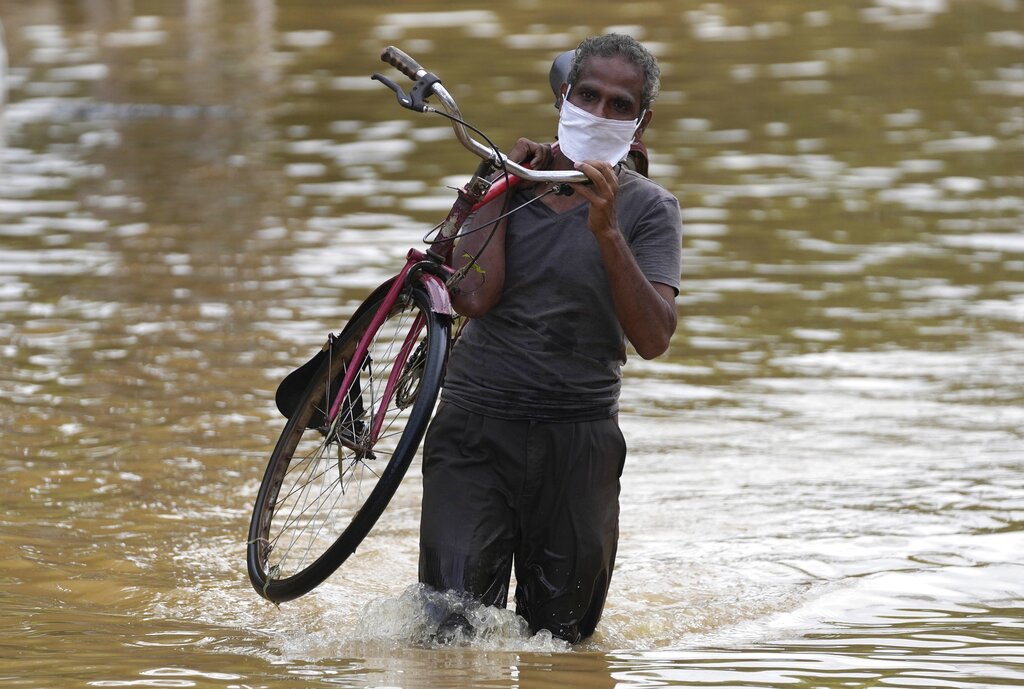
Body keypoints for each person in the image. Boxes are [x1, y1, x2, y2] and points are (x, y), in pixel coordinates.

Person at [418, 33, 682, 644]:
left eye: (621, 105)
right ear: (564, 96)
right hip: (474, 431)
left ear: (641, 124)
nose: (600, 112)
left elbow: (654, 337)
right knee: (450, 634)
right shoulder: (505, 184)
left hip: (578, 439)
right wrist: (500, 184)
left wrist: (607, 230)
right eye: (588, 95)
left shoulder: (649, 209)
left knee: (561, 643)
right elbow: (473, 296)